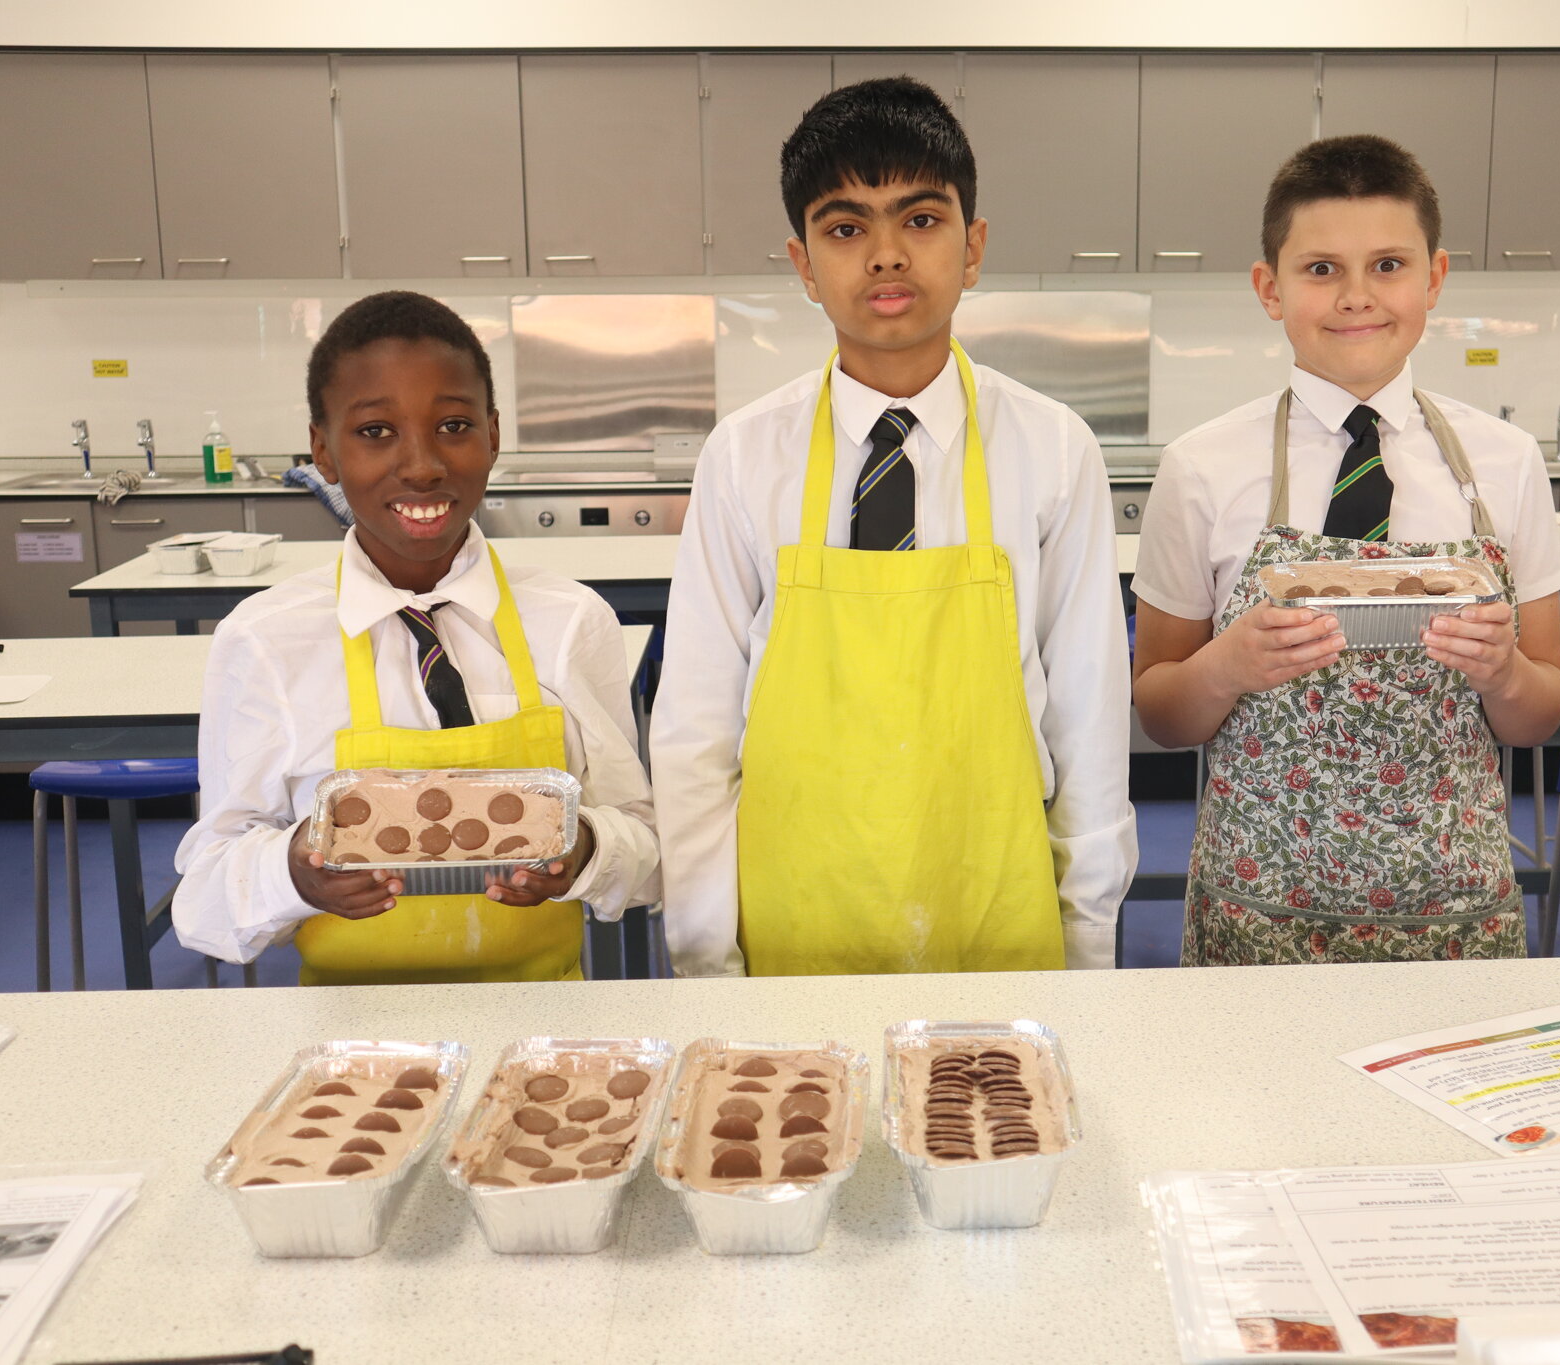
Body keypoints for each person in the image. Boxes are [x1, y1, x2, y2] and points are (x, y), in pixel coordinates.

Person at [651, 77, 1136, 977]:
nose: (885, 256)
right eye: (846, 228)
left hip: (995, 903)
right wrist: (706, 958)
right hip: (793, 907)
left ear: (973, 244)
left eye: (919, 220)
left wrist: (1089, 949)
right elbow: (696, 733)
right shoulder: (744, 457)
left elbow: (1089, 719)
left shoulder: (1054, 449)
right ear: (803, 265)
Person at [1130, 135, 1560, 966]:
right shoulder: (1202, 467)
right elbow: (1158, 710)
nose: (1357, 297)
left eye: (1390, 266)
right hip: (1258, 917)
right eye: (1321, 268)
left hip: (1458, 919)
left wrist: (1505, 673)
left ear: (1434, 278)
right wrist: (1227, 667)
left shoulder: (1506, 464)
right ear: (1271, 287)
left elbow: (1539, 713)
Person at [174, 290, 659, 983]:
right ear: (323, 451)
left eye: (454, 424)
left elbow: (646, 851)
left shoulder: (572, 622)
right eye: (376, 431)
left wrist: (584, 851)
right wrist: (292, 873)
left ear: (494, 434)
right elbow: (203, 898)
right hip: (347, 1050)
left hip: (547, 1029)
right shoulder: (265, 642)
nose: (423, 464)